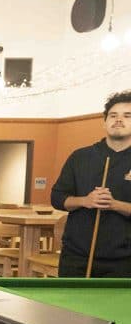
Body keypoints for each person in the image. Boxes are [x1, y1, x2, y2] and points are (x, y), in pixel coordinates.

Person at [51, 90, 131, 277]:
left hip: (124, 261)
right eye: (113, 115)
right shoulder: (80, 157)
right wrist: (85, 201)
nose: (119, 120)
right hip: (76, 257)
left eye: (127, 115)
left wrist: (114, 204)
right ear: (104, 122)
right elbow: (57, 198)